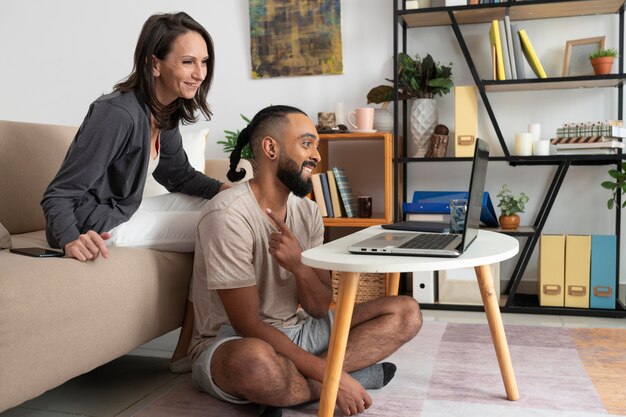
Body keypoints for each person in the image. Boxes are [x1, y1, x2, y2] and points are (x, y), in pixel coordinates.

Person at [189, 105, 422, 416]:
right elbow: (248, 325)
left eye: (317, 145)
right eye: (307, 143)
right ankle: (335, 378)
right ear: (270, 148)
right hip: (233, 340)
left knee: (406, 311)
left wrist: (299, 266)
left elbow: (317, 306)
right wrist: (331, 374)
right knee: (254, 362)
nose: (317, 156)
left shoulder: (308, 212)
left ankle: (297, 388)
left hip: (298, 331)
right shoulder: (227, 216)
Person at [40, 12, 223, 367]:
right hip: (96, 223)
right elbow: (59, 193)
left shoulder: (165, 111)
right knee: (222, 223)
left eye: (203, 62)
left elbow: (181, 177)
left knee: (229, 209)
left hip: (124, 210)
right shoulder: (117, 114)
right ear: (155, 63)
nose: (199, 73)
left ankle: (204, 339)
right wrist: (68, 239)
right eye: (187, 62)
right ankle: (195, 341)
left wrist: (230, 191)